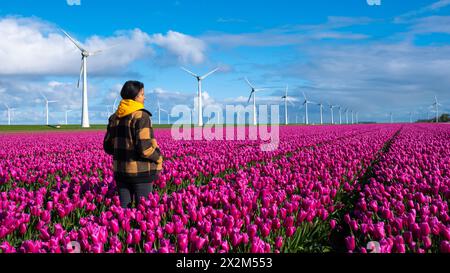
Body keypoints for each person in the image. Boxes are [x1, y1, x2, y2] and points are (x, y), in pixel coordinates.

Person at [103, 80, 163, 208]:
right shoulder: (142, 116)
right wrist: (158, 157)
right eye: (142, 94)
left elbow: (108, 147)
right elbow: (145, 149)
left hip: (120, 173)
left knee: (124, 212)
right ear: (135, 97)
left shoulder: (114, 117)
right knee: (144, 212)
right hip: (140, 174)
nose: (144, 97)